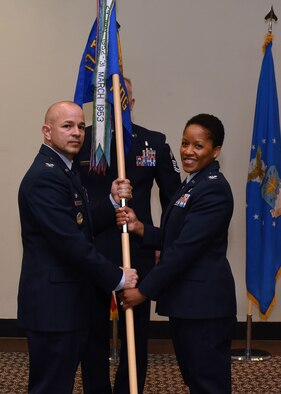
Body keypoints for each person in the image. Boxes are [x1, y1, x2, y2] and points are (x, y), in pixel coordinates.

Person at [17, 101, 138, 394]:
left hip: (68, 304)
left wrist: (110, 203)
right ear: (47, 131)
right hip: (54, 307)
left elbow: (78, 223)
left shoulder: (64, 169)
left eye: (81, 127)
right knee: (51, 387)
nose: (77, 133)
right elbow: (70, 243)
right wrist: (118, 277)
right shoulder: (45, 176)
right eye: (67, 126)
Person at [117, 114, 237, 394]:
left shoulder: (213, 189)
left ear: (215, 150)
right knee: (196, 380)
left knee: (209, 383)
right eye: (185, 143)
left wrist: (143, 291)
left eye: (198, 146)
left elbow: (184, 250)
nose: (188, 151)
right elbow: (177, 237)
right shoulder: (193, 183)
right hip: (189, 304)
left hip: (204, 307)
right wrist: (140, 228)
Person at [77, 78, 182, 394]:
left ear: (131, 103)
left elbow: (174, 201)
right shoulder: (82, 143)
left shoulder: (153, 143)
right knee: (92, 335)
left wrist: (162, 240)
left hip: (136, 252)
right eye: (108, 101)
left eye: (123, 99)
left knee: (136, 338)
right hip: (93, 251)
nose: (117, 106)